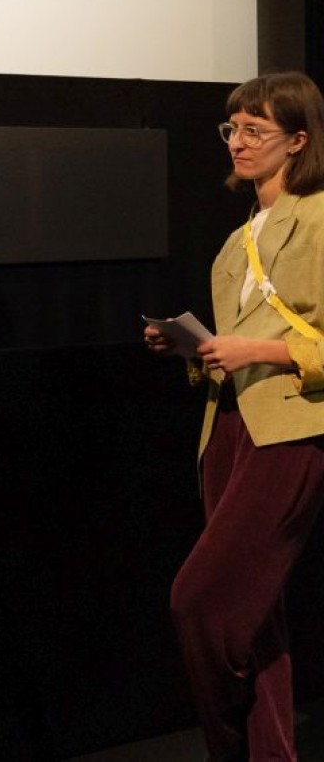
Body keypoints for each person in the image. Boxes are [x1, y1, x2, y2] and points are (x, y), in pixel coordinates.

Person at [145, 71, 324, 760]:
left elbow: (291, 346)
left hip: (290, 429)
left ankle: (228, 747)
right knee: (257, 617)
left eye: (256, 130)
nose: (239, 142)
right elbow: (232, 351)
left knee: (201, 602)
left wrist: (261, 350)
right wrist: (189, 349)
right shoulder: (234, 241)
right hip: (226, 430)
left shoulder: (315, 218)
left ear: (298, 141)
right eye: (233, 129)